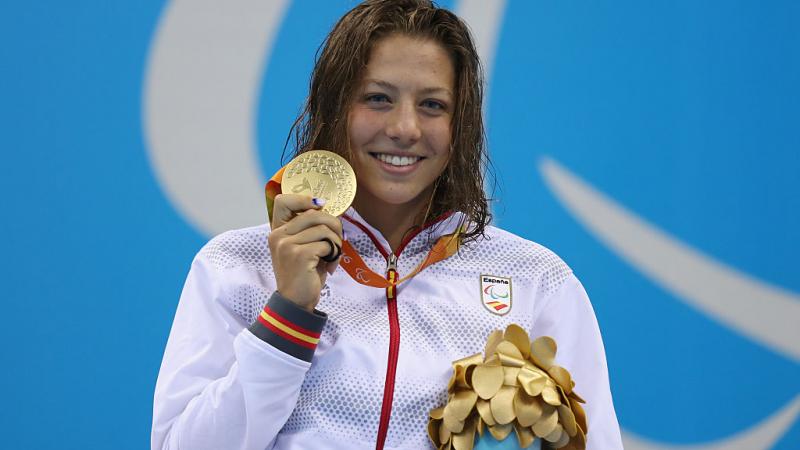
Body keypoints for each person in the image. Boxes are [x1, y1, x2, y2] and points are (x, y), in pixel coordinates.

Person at [151, 1, 623, 449]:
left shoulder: (535, 280)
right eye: (378, 98)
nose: (405, 128)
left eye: (433, 105)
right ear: (334, 109)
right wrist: (289, 314)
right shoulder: (236, 267)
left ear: (462, 124)